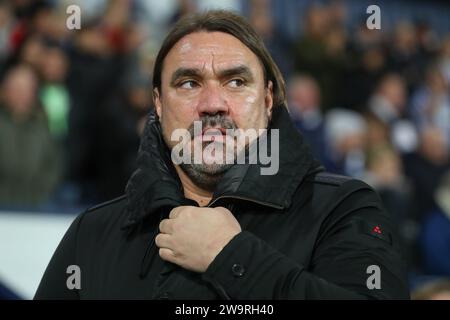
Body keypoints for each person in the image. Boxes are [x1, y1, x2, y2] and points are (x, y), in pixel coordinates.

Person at [35, 10, 409, 300]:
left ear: (267, 99)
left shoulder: (344, 210)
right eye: (188, 83)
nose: (213, 104)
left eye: (235, 81)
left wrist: (232, 256)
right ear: (159, 105)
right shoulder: (94, 233)